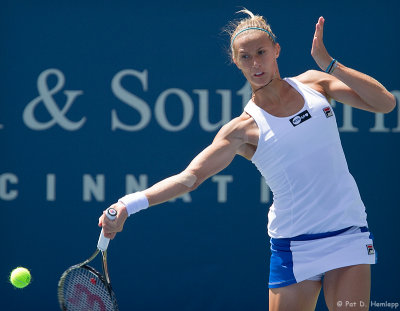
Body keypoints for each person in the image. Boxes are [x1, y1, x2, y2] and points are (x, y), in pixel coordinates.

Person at [99, 9, 395, 311]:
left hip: (348, 234)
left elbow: (385, 103)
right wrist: (128, 204)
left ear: (276, 50)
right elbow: (190, 177)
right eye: (245, 57)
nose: (256, 64)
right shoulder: (242, 129)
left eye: (261, 52)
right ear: (236, 62)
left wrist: (330, 65)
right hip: (294, 246)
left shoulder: (316, 84)